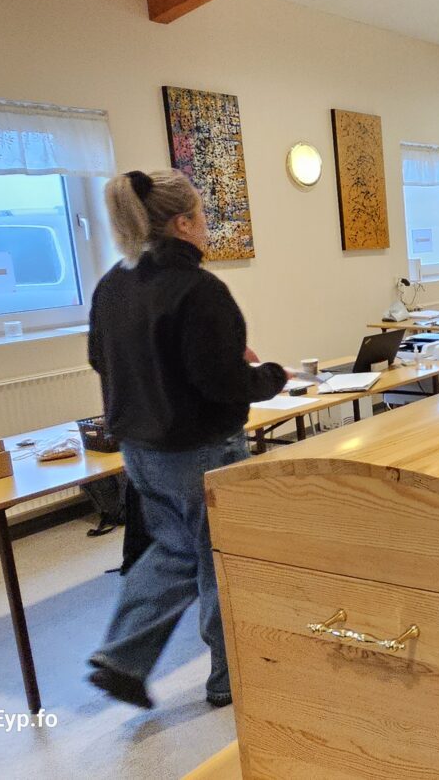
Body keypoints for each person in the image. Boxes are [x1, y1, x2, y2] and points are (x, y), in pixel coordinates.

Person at [86, 169, 286, 709]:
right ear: (181, 223)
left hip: (140, 449)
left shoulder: (112, 285)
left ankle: (121, 656)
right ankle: (229, 679)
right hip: (200, 449)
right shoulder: (199, 289)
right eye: (200, 216)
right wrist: (270, 376)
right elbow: (220, 383)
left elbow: (101, 359)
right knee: (220, 558)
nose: (205, 226)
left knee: (174, 549)